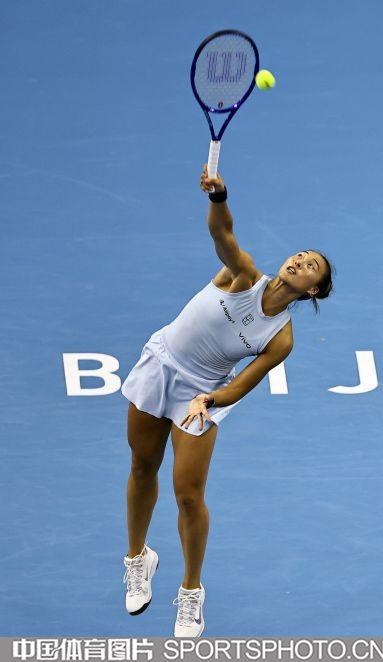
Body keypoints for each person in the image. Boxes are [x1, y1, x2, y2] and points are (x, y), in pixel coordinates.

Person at [119, 166, 334, 637]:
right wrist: (219, 197)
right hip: (162, 363)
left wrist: (209, 399)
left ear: (313, 290)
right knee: (141, 465)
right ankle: (137, 558)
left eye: (311, 266)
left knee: (188, 495)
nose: (299, 262)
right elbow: (223, 234)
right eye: (300, 256)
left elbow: (241, 385)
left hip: (203, 391)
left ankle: (191, 592)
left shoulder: (281, 339)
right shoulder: (243, 275)